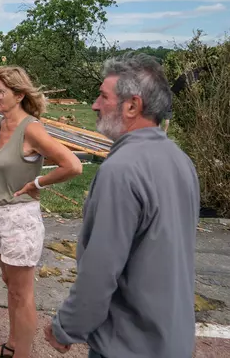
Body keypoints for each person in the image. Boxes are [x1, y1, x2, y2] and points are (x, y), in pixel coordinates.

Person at [44, 53, 200, 358]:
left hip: (128, 345)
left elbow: (101, 270)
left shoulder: (121, 170)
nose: (94, 104)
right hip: (173, 339)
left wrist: (67, 327)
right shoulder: (181, 161)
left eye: (103, 96)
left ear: (132, 106)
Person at [0, 66, 83, 358]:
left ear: (19, 95)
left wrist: (37, 182)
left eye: (0, 91)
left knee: (22, 294)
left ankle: (22, 354)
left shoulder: (32, 128)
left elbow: (72, 165)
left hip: (19, 218)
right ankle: (12, 346)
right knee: (10, 286)